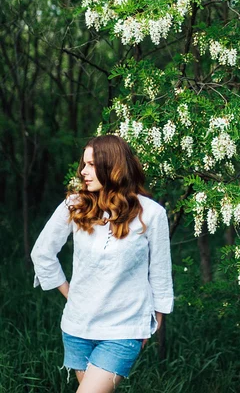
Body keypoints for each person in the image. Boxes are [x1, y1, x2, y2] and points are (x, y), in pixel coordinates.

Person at [31, 134, 174, 393]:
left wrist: (152, 324)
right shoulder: (75, 205)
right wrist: (70, 294)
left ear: (113, 166)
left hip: (123, 330)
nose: (84, 172)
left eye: (92, 165)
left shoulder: (152, 214)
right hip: (77, 327)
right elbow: (42, 253)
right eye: (83, 164)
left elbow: (161, 275)